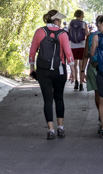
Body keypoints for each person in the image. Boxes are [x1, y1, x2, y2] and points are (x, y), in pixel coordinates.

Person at [29, 9, 74, 140]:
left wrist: (32, 68)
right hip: (59, 70)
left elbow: (32, 52)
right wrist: (73, 72)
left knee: (47, 100)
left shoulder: (39, 32)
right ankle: (61, 128)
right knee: (59, 98)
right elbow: (68, 54)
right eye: (59, 19)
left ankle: (51, 130)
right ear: (56, 20)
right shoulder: (63, 34)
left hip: (43, 71)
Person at [67, 10, 90, 91]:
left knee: (75, 65)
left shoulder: (71, 23)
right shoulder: (84, 23)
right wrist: (89, 30)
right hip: (81, 45)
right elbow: (87, 34)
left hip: (72, 46)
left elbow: (68, 33)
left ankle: (76, 81)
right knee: (81, 66)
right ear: (81, 16)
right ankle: (81, 84)